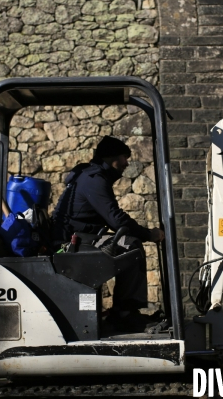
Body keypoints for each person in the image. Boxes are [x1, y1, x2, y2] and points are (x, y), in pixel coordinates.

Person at [51, 136, 165, 332]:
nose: (126, 163)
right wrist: (149, 234)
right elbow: (116, 219)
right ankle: (125, 314)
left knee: (126, 243)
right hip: (74, 242)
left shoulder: (90, 176)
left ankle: (123, 312)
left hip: (82, 236)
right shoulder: (94, 180)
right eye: (124, 157)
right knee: (131, 247)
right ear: (112, 159)